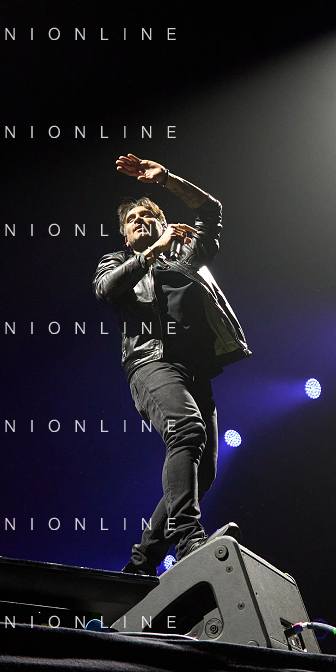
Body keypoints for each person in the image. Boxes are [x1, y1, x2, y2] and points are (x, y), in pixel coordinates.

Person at [93, 154, 251, 576]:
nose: (140, 221)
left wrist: (166, 179)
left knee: (207, 470)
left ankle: (141, 563)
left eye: (148, 215)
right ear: (126, 236)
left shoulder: (188, 255)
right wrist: (151, 253)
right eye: (132, 220)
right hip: (150, 363)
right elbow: (106, 290)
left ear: (164, 224)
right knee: (187, 430)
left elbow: (212, 211)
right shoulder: (117, 262)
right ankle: (188, 539)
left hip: (196, 370)